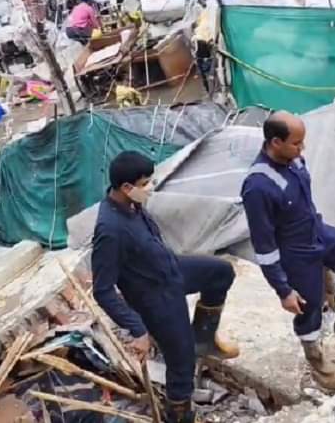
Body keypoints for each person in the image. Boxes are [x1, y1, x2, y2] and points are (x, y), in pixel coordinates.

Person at [240, 111, 335, 390]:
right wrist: (282, 289)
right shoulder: (257, 187)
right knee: (309, 310)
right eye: (296, 143)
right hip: (295, 252)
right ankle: (317, 361)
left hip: (318, 232)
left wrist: (326, 267)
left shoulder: (294, 161)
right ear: (275, 142)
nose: (302, 148)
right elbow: (264, 246)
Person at [92, 151, 239, 423]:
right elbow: (102, 290)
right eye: (146, 183)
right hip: (155, 298)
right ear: (126, 188)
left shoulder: (130, 206)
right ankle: (180, 416)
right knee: (181, 363)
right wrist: (137, 328)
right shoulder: (110, 230)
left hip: (169, 270)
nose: (151, 187)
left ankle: (204, 339)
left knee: (221, 273)